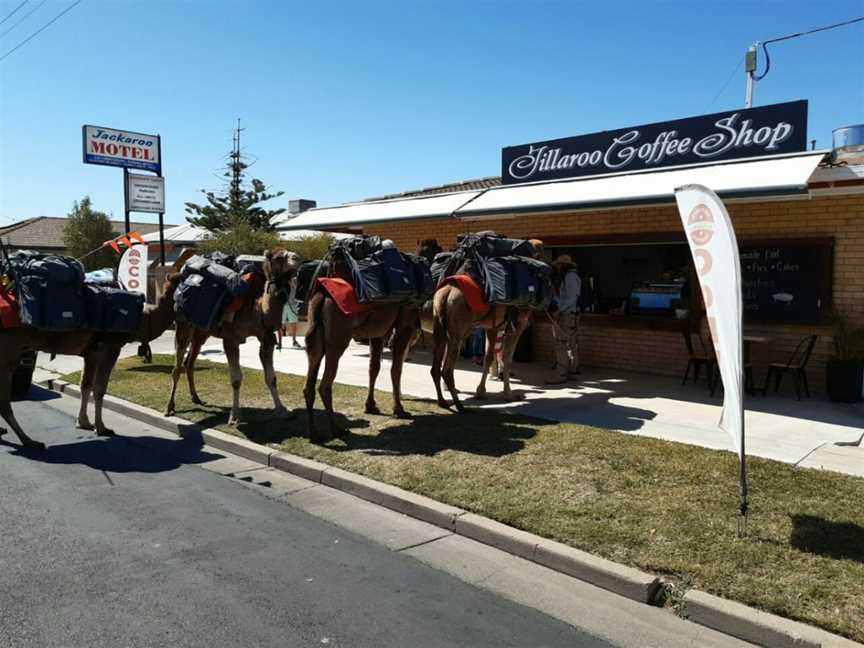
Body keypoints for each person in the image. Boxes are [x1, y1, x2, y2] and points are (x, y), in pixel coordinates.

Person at [546, 254, 582, 385]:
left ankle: (561, 374)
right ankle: (572, 370)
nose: (558, 267)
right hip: (571, 314)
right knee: (571, 343)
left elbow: (571, 299)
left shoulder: (570, 277)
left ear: (565, 265)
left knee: (561, 344)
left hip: (567, 315)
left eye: (560, 265)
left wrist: (559, 310)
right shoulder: (569, 277)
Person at [277, 276, 301, 350]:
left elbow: (298, 288)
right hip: (282, 305)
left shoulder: (295, 280)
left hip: (292, 304)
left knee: (293, 323)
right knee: (280, 324)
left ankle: (294, 341)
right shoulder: (281, 280)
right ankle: (280, 342)